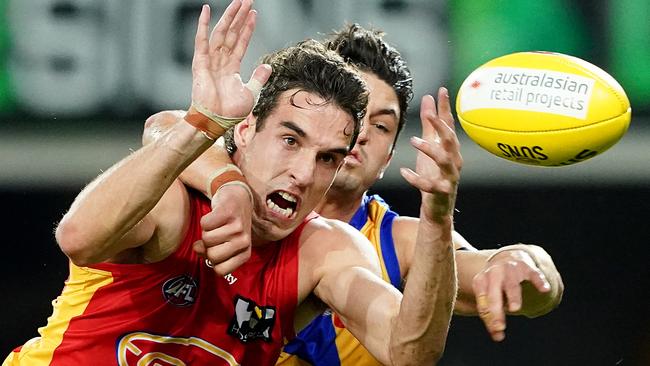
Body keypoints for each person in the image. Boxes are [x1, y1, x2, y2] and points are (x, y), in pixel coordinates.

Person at [4, 2, 460, 366]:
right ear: (244, 130)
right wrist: (207, 132)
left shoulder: (323, 251)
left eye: (327, 158)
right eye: (289, 140)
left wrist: (438, 219)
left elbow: (409, 351)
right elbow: (77, 237)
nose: (304, 173)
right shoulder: (175, 203)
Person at [143, 24, 564, 365]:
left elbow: (514, 278)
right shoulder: (221, 183)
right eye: (352, 114)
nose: (359, 134)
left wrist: (521, 261)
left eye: (380, 126)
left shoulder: (396, 243)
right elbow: (165, 129)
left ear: (389, 157)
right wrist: (228, 185)